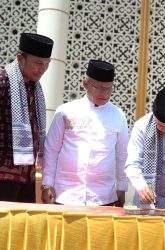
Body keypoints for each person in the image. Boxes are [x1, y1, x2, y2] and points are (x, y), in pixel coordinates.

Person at [41, 59, 128, 207]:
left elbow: (122, 154)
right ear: (86, 84)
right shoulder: (65, 111)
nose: (105, 93)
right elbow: (51, 149)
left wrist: (121, 187)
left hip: (103, 197)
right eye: (99, 88)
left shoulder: (118, 116)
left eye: (108, 89)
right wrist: (47, 183)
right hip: (66, 194)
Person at [0, 33, 53, 202]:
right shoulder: (3, 81)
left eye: (46, 64)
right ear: (20, 59)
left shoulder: (36, 89)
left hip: (27, 178)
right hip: (3, 176)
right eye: (38, 63)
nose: (42, 69)